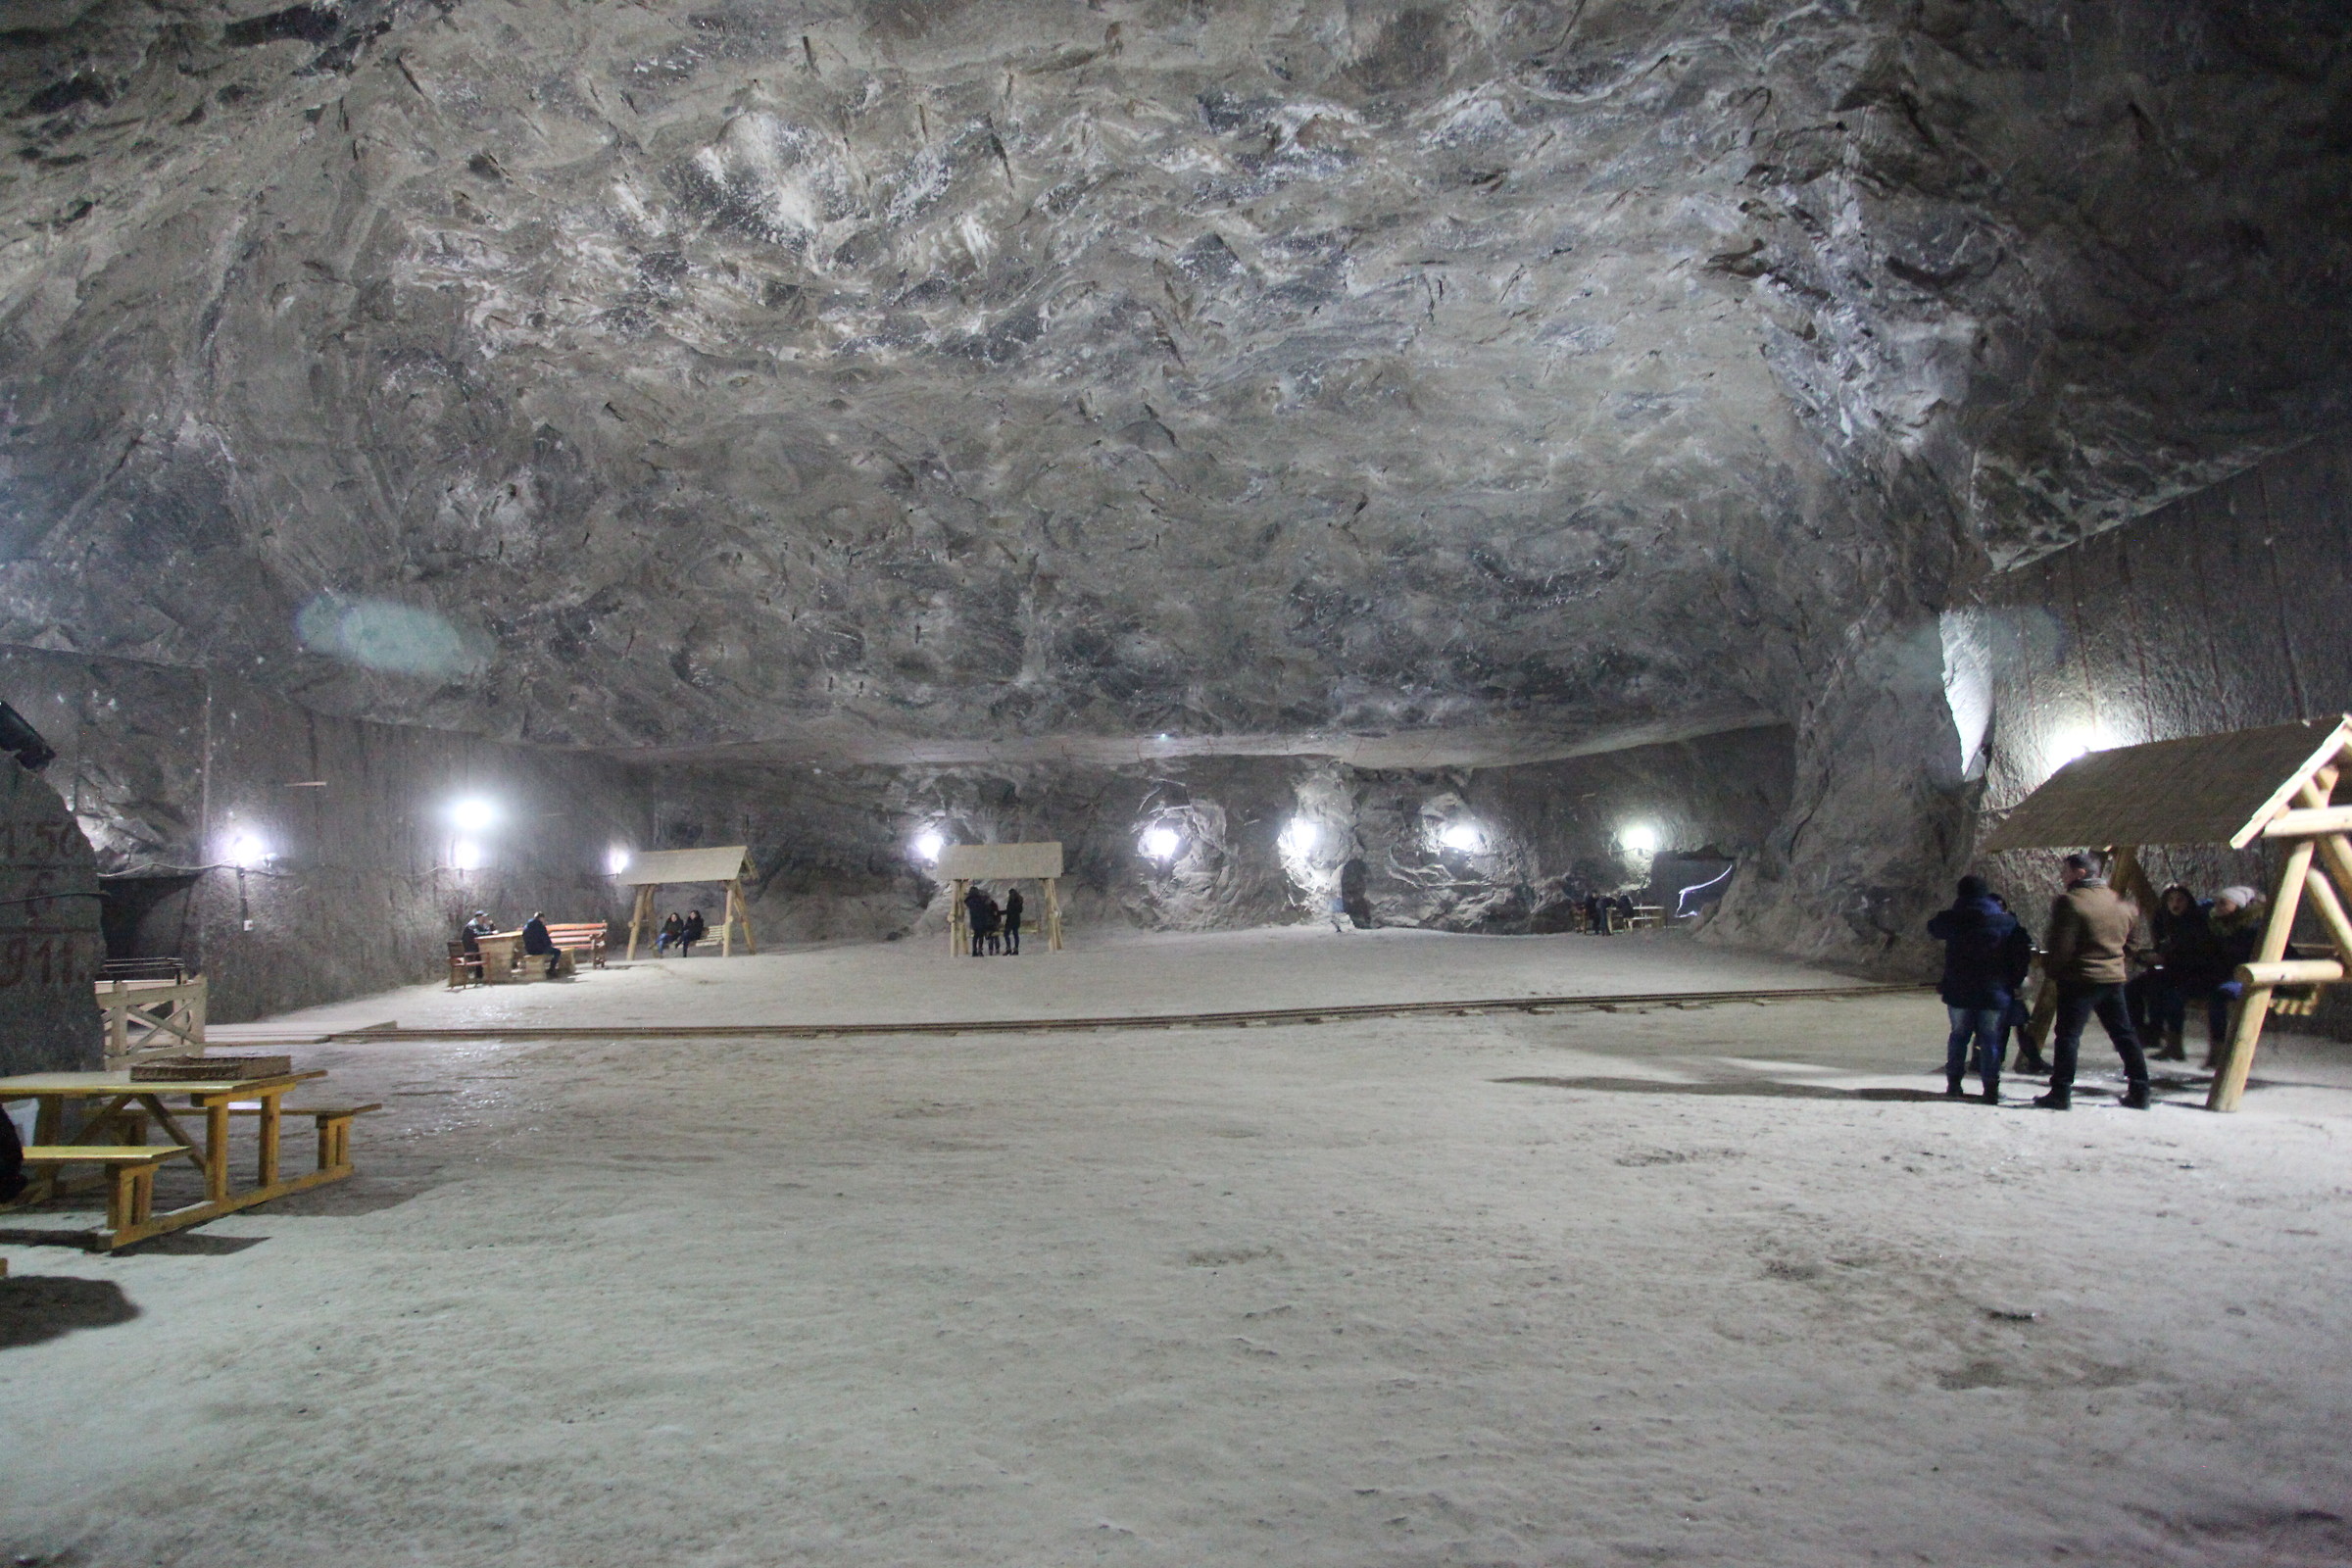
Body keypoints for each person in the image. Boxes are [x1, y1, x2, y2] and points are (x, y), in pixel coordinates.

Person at [2035, 851, 2152, 1110]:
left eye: (2065, 870)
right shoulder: (2123, 904)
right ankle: (2141, 1089)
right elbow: (2133, 943)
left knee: (2068, 1036)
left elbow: (2062, 947)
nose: (2061, 876)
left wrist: (2053, 970)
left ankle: (2061, 1091)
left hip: (2079, 979)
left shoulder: (2070, 902)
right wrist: (2115, 960)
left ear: (2080, 873)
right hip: (2112, 978)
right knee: (2124, 1034)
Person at [1926, 875, 2032, 1102]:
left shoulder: (1953, 919)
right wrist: (2014, 981)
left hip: (1959, 990)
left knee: (1959, 1036)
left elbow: (1933, 927)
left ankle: (1954, 1085)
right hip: (1994, 991)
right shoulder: (2005, 922)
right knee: (1990, 1039)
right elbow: (2021, 952)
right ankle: (1991, 1090)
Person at [2126, 884, 2213, 1061]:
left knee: (2169, 994)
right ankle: (2145, 1032)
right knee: (2131, 989)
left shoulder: (2197, 924)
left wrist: (2165, 960)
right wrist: (2145, 957)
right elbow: (2163, 948)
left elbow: (2198, 956)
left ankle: (2174, 1044)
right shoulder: (2164, 921)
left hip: (2193, 974)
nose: (2175, 904)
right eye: (2171, 900)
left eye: (2180, 900)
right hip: (2169, 972)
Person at [2202, 885, 2268, 1068]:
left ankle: (2226, 1049)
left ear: (2237, 905)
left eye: (2223, 903)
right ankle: (2219, 1048)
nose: (2218, 907)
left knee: (2219, 996)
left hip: (2251, 976)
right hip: (2231, 974)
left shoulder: (2251, 928)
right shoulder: (2220, 925)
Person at [521, 910, 562, 978]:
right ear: (541, 918)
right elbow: (546, 940)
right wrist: (549, 945)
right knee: (557, 952)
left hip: (529, 950)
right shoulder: (540, 926)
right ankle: (551, 970)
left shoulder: (526, 927)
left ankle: (551, 969)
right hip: (540, 949)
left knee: (550, 950)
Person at [964, 883, 993, 957]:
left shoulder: (969, 901)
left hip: (974, 920)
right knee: (981, 936)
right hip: (982, 919)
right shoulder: (981, 899)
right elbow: (986, 907)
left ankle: (974, 950)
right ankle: (980, 950)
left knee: (975, 936)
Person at [1003, 886, 1024, 956]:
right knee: (1015, 934)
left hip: (1010, 920)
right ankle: (1016, 949)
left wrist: (1000, 913)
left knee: (1006, 934)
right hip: (1016, 920)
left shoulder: (1011, 901)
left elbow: (1009, 911)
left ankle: (1008, 948)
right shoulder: (1019, 901)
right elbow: (1020, 910)